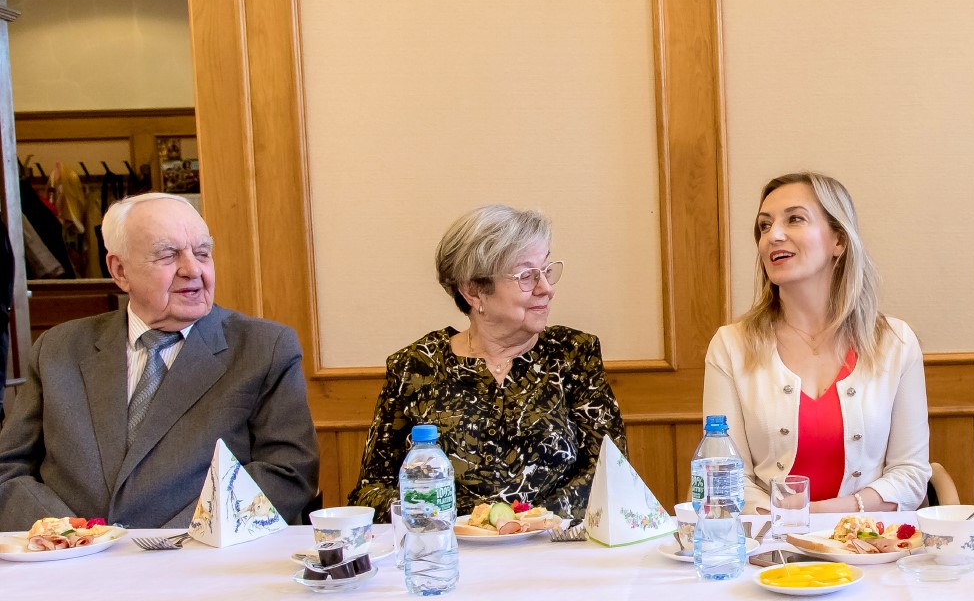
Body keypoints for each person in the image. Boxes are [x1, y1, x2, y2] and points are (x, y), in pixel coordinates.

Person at [0, 193, 318, 529]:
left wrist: (172, 541)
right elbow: (7, 470)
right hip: (70, 555)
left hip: (200, 555)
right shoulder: (58, 349)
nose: (192, 270)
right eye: (168, 255)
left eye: (202, 253)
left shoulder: (264, 348)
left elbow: (288, 472)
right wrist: (71, 535)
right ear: (119, 270)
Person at [349, 205, 626, 522]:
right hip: (452, 544)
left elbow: (610, 471)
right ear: (473, 290)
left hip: (551, 541)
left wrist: (527, 521)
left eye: (547, 271)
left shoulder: (573, 354)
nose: (546, 289)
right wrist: (456, 521)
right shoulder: (415, 366)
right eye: (526, 276)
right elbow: (371, 491)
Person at [704, 172, 929, 513]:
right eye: (764, 226)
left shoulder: (895, 342)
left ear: (838, 240)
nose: (773, 236)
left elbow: (910, 476)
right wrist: (790, 528)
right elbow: (725, 480)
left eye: (794, 219)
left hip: (868, 541)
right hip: (766, 542)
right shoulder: (730, 346)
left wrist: (817, 518)